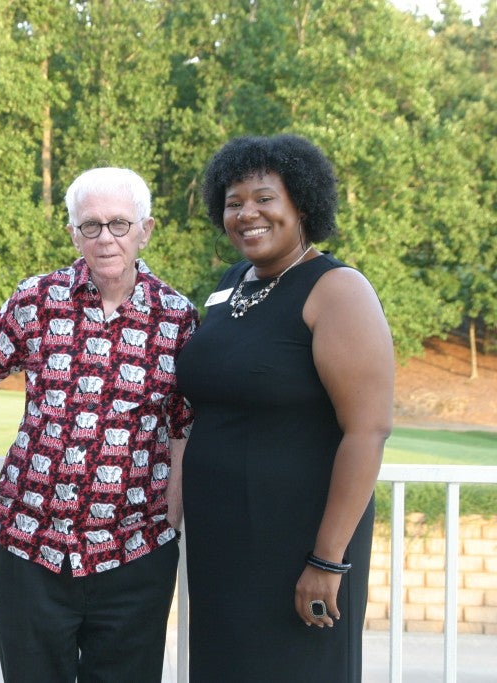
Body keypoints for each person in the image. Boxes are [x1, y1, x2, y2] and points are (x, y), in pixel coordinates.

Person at [176, 134, 394, 682]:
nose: (247, 213)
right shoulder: (231, 285)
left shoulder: (337, 289)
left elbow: (368, 431)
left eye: (264, 198)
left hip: (299, 543)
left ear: (303, 204)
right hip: (223, 541)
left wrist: (327, 560)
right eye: (233, 202)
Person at [0, 167, 198, 682]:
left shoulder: (178, 319)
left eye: (119, 224)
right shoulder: (36, 300)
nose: (105, 238)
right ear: (74, 234)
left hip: (135, 549)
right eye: (90, 225)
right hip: (31, 546)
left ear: (146, 230)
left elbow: (186, 421)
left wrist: (174, 503)